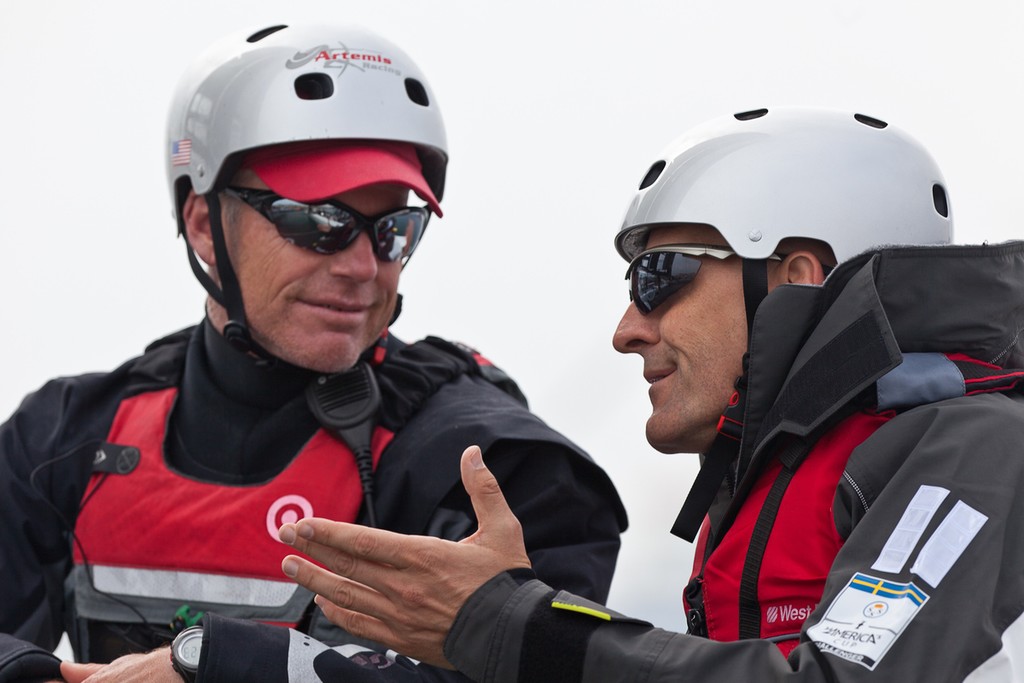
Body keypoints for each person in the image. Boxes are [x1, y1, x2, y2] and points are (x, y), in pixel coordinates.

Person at [279, 106, 1024, 681]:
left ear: (797, 277)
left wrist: (510, 622)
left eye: (658, 274)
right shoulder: (765, 484)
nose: (627, 329)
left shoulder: (975, 445)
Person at [0, 23, 626, 683]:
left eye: (392, 229)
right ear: (204, 224)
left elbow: (554, 669)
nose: (363, 266)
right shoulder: (62, 439)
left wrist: (215, 666)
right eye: (318, 222)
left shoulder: (494, 469)